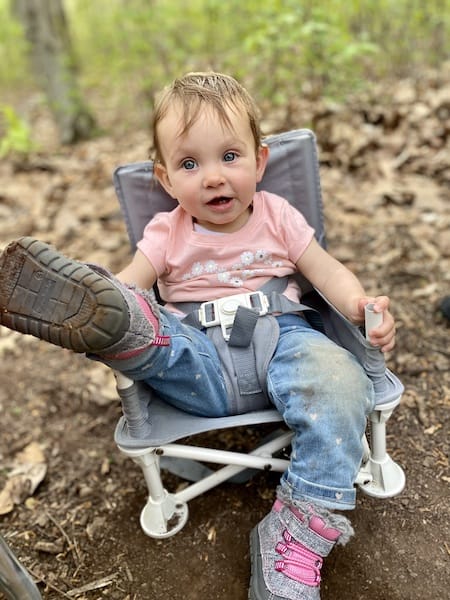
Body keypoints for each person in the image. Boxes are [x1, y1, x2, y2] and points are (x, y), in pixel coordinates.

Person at [0, 72, 396, 600]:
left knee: (342, 382)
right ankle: (119, 330)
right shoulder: (167, 232)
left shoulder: (278, 216)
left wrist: (359, 304)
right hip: (197, 356)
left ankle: (299, 533)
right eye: (190, 164)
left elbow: (326, 270)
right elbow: (132, 285)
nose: (212, 178)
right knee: (141, 323)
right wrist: (111, 304)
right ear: (165, 180)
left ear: (260, 162)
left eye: (229, 157)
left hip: (285, 340)